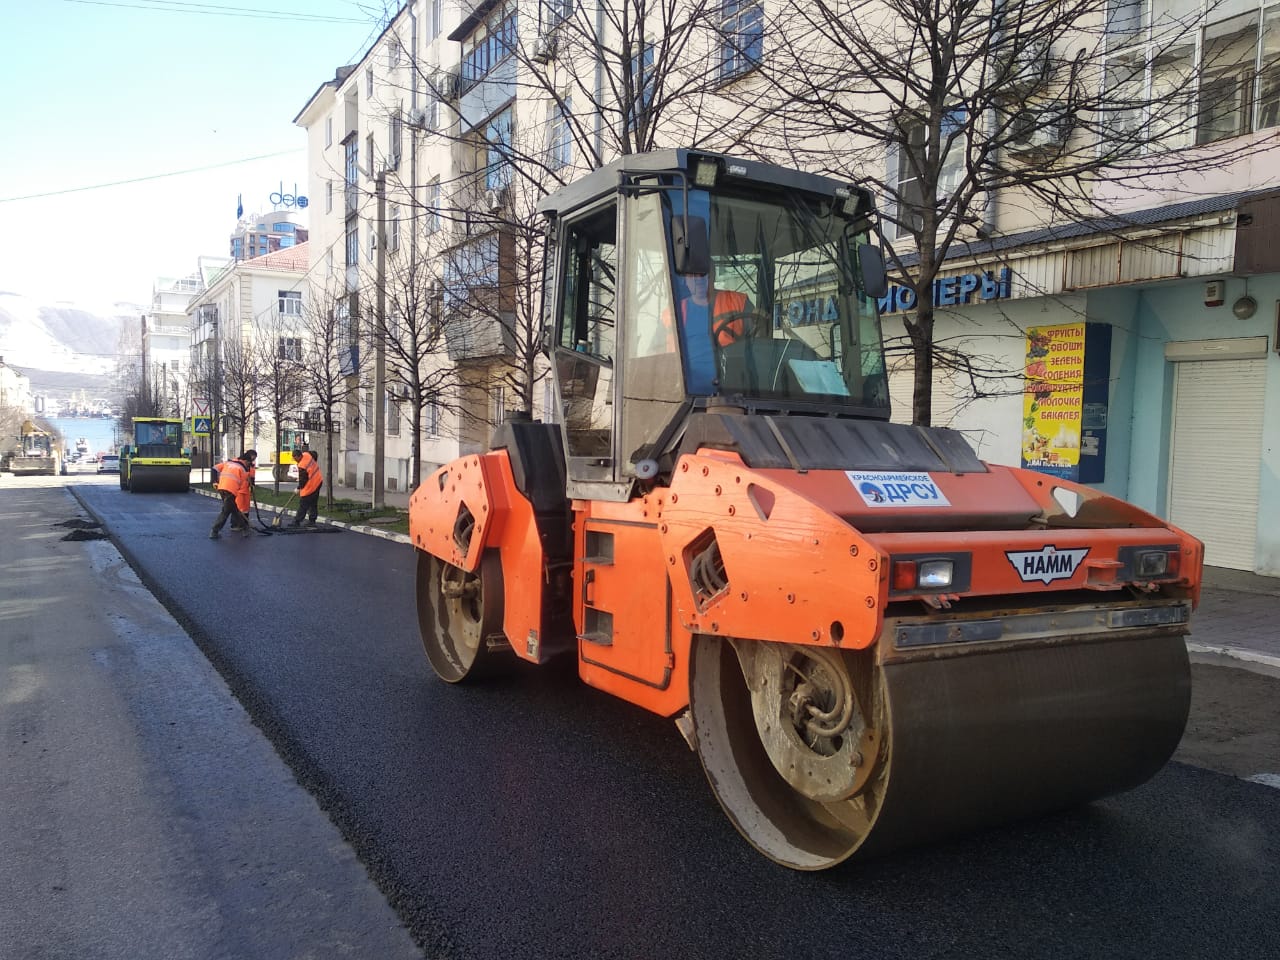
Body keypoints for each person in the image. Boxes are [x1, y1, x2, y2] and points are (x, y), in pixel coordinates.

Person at [666, 267, 753, 394]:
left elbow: (762, 339)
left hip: (733, 389)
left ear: (713, 276)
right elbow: (661, 356)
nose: (699, 280)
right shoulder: (673, 313)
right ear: (685, 280)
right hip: (685, 392)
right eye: (692, 276)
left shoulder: (738, 303)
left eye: (703, 274)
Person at [209, 450, 257, 540]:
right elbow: (242, 485)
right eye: (249, 463)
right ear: (246, 461)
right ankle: (214, 531)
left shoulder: (229, 463)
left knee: (235, 509)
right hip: (231, 491)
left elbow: (214, 469)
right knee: (226, 511)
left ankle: (245, 528)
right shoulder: (242, 469)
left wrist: (214, 481)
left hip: (221, 488)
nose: (249, 466)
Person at [290, 446, 323, 527]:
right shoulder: (307, 454)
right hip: (318, 480)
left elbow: (303, 480)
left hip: (312, 485)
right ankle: (312, 521)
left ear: (300, 456)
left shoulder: (302, 466)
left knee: (304, 503)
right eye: (294, 459)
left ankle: (297, 521)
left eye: (296, 458)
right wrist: (314, 463)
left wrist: (298, 488)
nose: (295, 460)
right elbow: (314, 453)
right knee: (313, 503)